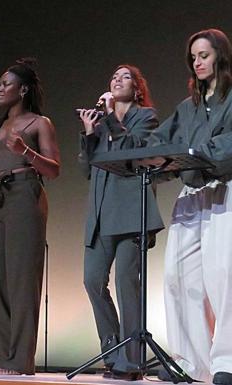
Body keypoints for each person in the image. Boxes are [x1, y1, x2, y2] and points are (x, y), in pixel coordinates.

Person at [143, 29, 232, 385]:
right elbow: (158, 142)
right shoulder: (187, 106)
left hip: (224, 187)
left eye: (204, 55)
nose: (197, 62)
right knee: (179, 277)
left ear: (220, 58)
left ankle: (226, 359)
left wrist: (196, 156)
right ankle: (190, 362)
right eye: (193, 57)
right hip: (192, 192)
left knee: (222, 276)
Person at [0, 58, 60, 375]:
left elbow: (54, 169)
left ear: (22, 89)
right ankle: (4, 354)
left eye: (6, 83)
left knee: (22, 279)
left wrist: (27, 151)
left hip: (26, 194)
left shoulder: (39, 123)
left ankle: (20, 360)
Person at [77, 65, 164, 380]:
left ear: (137, 88)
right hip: (100, 213)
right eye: (113, 76)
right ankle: (113, 353)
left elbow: (132, 152)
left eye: (125, 76)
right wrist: (89, 133)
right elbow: (87, 169)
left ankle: (131, 363)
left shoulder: (145, 116)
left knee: (129, 286)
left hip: (129, 213)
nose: (116, 79)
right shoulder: (101, 123)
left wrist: (111, 116)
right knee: (92, 280)